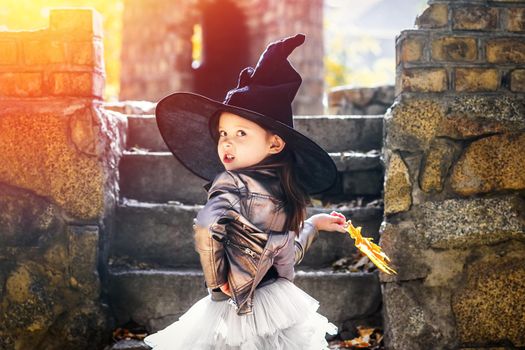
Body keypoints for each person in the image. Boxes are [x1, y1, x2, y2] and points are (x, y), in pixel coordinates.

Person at [144, 33, 351, 349]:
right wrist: (217, 284)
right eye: (223, 133)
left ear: (274, 143)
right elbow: (206, 230)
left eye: (241, 133)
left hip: (272, 300)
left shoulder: (279, 195)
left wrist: (314, 225)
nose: (226, 142)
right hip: (236, 302)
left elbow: (283, 252)